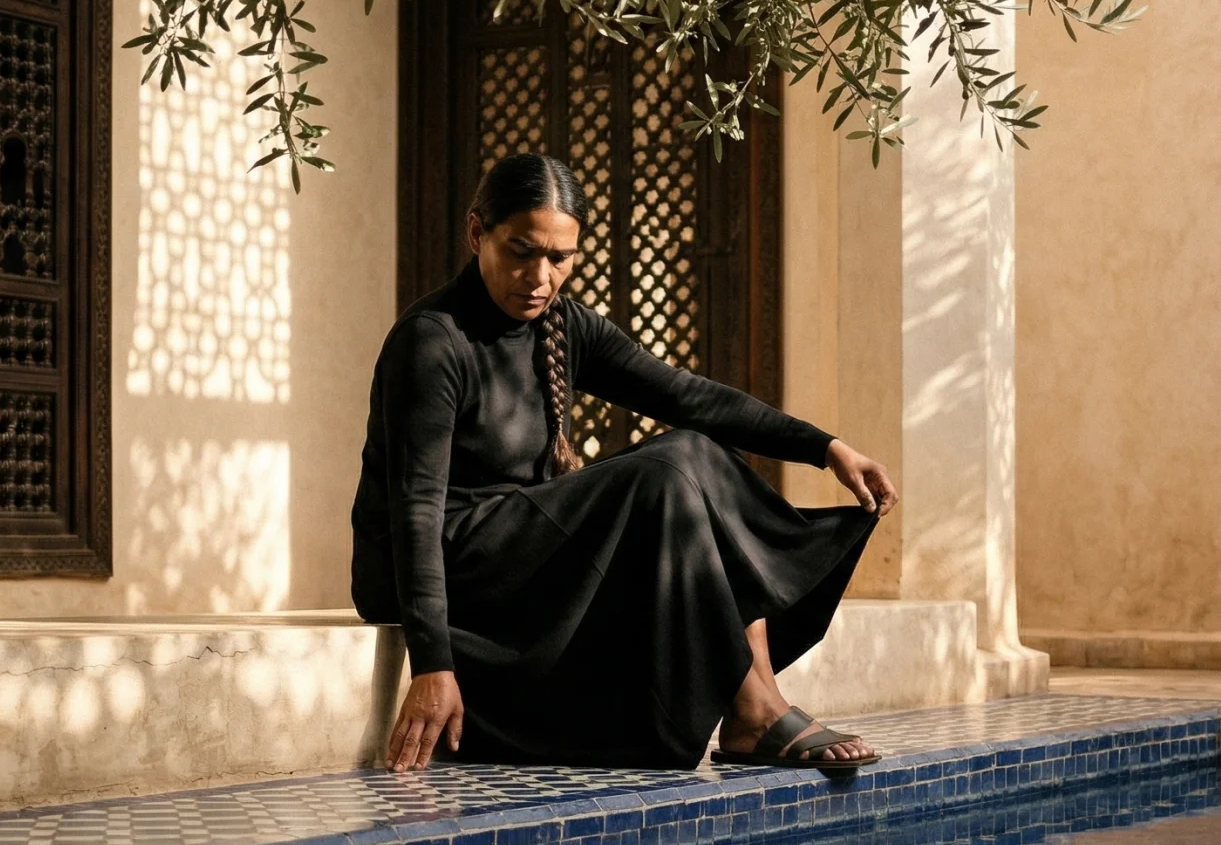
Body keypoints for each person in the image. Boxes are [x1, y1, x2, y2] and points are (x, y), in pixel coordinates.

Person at [350, 153, 897, 772]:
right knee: (660, 478)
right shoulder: (432, 340)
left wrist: (825, 448)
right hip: (451, 556)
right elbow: (416, 511)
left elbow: (685, 395)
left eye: (560, 259)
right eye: (521, 250)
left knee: (694, 450)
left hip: (518, 544)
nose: (540, 276)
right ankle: (753, 712)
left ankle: (758, 704)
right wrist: (433, 664)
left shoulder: (562, 325)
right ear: (478, 233)